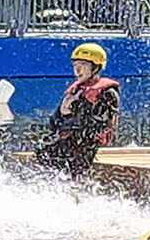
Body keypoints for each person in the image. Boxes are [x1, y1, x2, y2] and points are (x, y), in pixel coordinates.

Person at [36, 43, 120, 178]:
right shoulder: (76, 91)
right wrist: (62, 113)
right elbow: (54, 124)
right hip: (69, 141)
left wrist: (76, 111)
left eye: (83, 66)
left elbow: (98, 125)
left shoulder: (108, 92)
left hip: (88, 143)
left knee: (69, 157)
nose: (78, 70)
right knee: (43, 151)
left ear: (96, 67)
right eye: (76, 66)